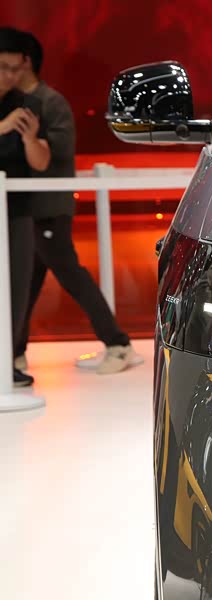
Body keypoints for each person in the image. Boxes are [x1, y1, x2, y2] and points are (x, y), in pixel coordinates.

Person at [14, 31, 139, 375]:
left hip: (49, 207)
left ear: (24, 62)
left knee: (70, 275)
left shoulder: (50, 102)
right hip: (28, 209)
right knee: (28, 283)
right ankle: (14, 352)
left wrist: (30, 141)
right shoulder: (19, 102)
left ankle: (118, 344)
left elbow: (60, 152)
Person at [0, 27, 50, 387]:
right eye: (3, 67)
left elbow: (41, 162)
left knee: (17, 288)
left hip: (17, 211)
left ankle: (7, 360)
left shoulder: (26, 103)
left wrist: (31, 139)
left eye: (16, 68)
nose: (10, 76)